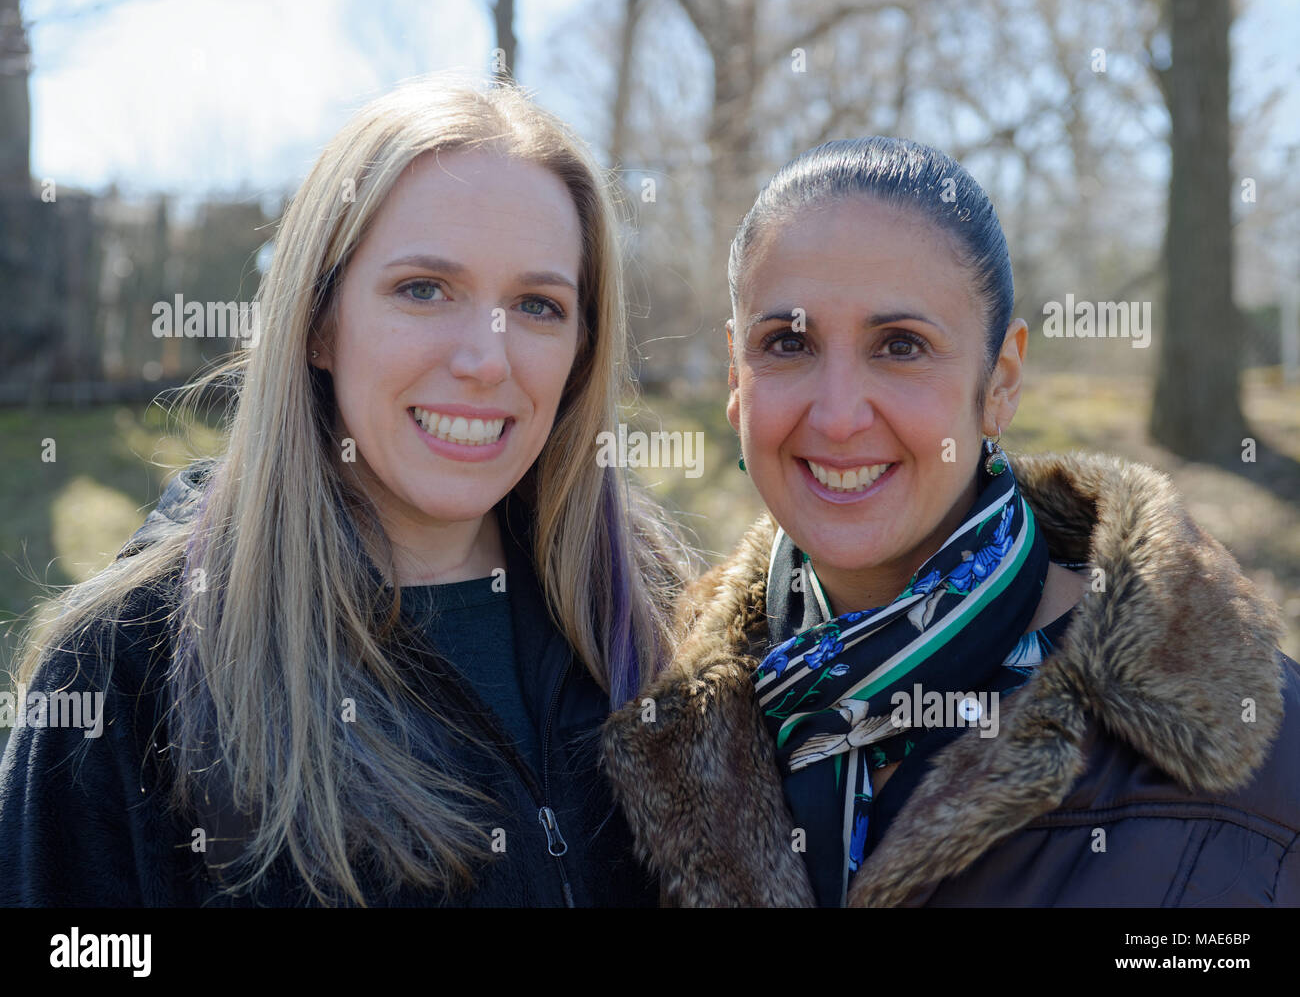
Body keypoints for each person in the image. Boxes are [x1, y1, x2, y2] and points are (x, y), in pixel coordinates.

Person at [0, 76, 688, 907]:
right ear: (318, 321)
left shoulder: (665, 625)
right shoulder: (125, 671)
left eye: (538, 305)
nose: (485, 358)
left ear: (584, 346)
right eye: (424, 289)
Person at [601, 136, 1300, 906]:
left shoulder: (1251, 759)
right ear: (737, 381)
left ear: (999, 383)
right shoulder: (651, 705)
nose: (837, 417)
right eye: (788, 343)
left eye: (900, 345)